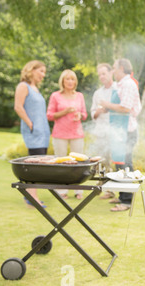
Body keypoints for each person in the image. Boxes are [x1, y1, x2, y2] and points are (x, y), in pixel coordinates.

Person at [100, 58, 141, 212]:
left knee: (126, 166)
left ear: (122, 68)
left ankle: (127, 201)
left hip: (127, 132)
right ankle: (122, 195)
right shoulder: (121, 85)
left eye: (114, 68)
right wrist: (107, 108)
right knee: (119, 164)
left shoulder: (129, 84)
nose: (113, 71)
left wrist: (107, 105)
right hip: (119, 131)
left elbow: (125, 108)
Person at [14, 60, 50, 207]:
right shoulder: (24, 86)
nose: (43, 75)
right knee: (35, 164)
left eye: (44, 72)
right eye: (41, 71)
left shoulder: (36, 88)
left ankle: (31, 195)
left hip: (43, 132)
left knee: (39, 165)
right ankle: (31, 197)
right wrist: (30, 124)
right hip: (34, 132)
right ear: (31, 70)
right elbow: (18, 107)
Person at [47, 69, 88, 200]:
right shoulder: (55, 96)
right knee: (61, 163)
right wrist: (65, 112)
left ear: (75, 82)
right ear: (62, 81)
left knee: (78, 163)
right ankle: (62, 190)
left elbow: (85, 114)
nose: (70, 82)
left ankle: (78, 190)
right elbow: (49, 116)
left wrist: (79, 115)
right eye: (67, 79)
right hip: (60, 134)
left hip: (77, 133)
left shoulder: (80, 96)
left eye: (72, 79)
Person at [90, 63, 115, 199]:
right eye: (99, 74)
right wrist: (98, 111)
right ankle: (101, 187)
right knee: (101, 161)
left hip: (115, 132)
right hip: (100, 131)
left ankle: (111, 190)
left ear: (111, 73)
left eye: (104, 73)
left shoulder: (118, 89)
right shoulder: (97, 93)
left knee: (112, 161)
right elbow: (93, 113)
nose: (101, 77)